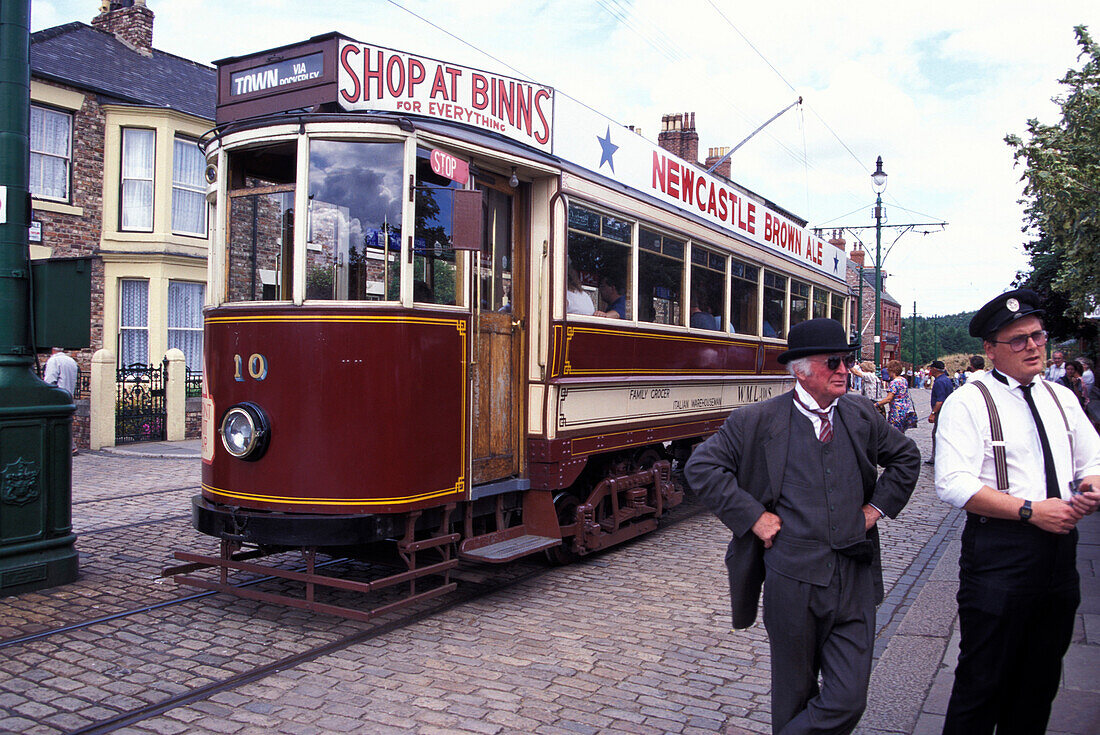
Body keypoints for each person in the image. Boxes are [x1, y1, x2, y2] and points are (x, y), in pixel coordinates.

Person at [685, 318, 920, 735]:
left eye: (846, 360)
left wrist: (875, 510)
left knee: (848, 699)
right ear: (800, 369)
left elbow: (906, 459)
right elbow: (701, 467)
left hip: (855, 577)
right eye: (833, 362)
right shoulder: (755, 421)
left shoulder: (861, 415)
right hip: (791, 580)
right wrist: (753, 516)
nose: (845, 370)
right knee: (793, 695)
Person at [934, 288, 1100, 735]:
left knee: (1040, 681)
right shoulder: (969, 401)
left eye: (1038, 336)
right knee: (981, 682)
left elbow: (1093, 460)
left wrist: (1090, 488)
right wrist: (1030, 511)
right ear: (991, 350)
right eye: (1019, 340)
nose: (1033, 347)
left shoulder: (1060, 397)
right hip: (1000, 555)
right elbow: (953, 483)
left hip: (1060, 555)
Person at [876, 359, 916, 433]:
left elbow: (889, 399)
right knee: (901, 432)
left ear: (892, 370)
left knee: (893, 432)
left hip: (896, 411)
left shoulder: (894, 382)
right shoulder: (903, 380)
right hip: (905, 410)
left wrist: (877, 404)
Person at [926, 360, 954, 465]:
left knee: (937, 434)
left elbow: (940, 400)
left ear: (935, 369)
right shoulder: (946, 380)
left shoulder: (940, 382)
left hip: (940, 412)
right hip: (946, 411)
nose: (930, 370)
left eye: (931, 368)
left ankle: (936, 457)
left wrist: (933, 413)